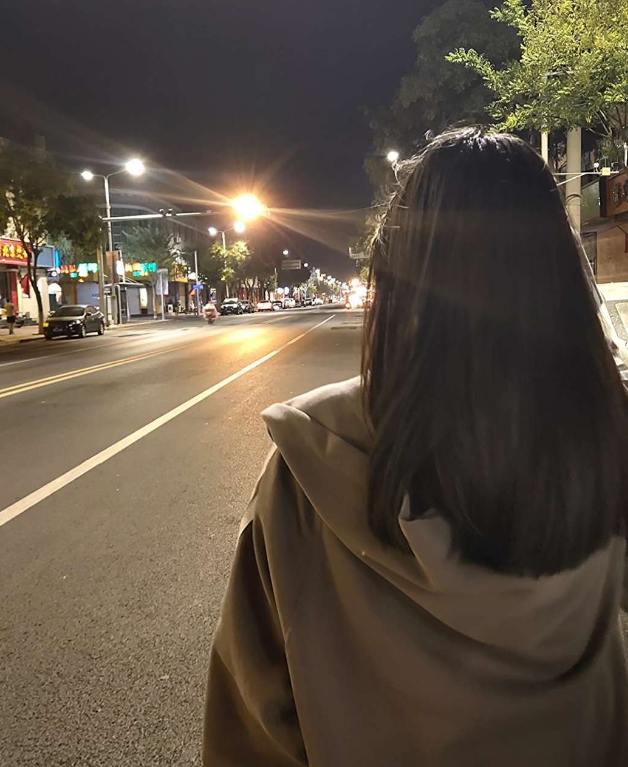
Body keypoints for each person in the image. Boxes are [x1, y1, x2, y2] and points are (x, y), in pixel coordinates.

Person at [203, 129, 628, 766]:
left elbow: (253, 722)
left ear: (398, 285)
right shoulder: (605, 429)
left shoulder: (311, 457)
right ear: (561, 280)